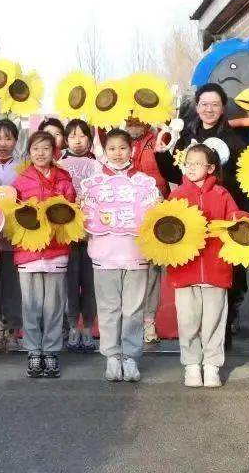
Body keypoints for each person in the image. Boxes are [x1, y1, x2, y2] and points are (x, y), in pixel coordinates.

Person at [155, 83, 249, 345]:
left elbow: (241, 180)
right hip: (191, 216)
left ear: (222, 107)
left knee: (226, 271)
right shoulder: (185, 136)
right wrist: (161, 154)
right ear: (197, 106)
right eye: (204, 104)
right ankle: (198, 338)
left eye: (214, 104)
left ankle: (224, 329)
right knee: (194, 274)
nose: (209, 109)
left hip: (222, 212)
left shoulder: (235, 139)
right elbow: (175, 175)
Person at [166, 144, 245, 388]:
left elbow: (236, 222)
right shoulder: (177, 194)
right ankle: (191, 365)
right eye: (188, 163)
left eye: (197, 164)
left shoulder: (222, 194)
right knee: (187, 319)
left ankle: (211, 365)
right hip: (185, 269)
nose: (191, 168)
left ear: (210, 168)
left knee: (214, 320)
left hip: (216, 268)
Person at [90, 129, 158, 383]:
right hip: (104, 254)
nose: (118, 154)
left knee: (133, 309)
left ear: (132, 150)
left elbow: (154, 215)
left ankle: (130, 356)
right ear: (104, 151)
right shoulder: (94, 183)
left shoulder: (143, 183)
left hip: (136, 254)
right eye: (112, 149)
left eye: (123, 148)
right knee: (109, 308)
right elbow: (86, 215)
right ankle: (111, 356)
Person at [12, 131, 76, 378]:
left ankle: (50, 349)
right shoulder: (20, 180)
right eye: (36, 149)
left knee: (54, 304)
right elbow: (13, 215)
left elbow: (72, 212)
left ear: (54, 152)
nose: (40, 153)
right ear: (29, 153)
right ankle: (33, 350)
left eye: (46, 148)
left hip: (57, 250)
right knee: (31, 305)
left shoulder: (64, 178)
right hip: (28, 252)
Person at [125, 116, 169, 346]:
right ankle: (129, 320)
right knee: (130, 268)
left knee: (153, 269)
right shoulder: (117, 141)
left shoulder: (162, 136)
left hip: (156, 208)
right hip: (125, 213)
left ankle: (149, 320)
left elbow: (172, 169)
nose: (132, 121)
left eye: (137, 116)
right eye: (127, 117)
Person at [0, 118, 25, 353]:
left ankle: (12, 330)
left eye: (8, 138)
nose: (2, 143)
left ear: (16, 141)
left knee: (12, 284)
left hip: (13, 234)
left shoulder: (23, 166)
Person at [61, 118, 97, 352]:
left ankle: (88, 329)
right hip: (68, 234)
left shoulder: (100, 166)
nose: (77, 140)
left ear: (90, 139)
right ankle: (73, 326)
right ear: (65, 140)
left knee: (91, 284)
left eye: (82, 135)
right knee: (70, 284)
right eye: (72, 136)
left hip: (94, 234)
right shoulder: (59, 165)